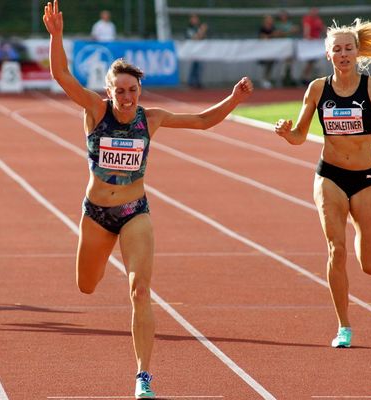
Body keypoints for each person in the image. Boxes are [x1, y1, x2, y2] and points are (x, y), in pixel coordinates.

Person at [43, 1, 253, 398]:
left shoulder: (151, 119)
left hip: (134, 211)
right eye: (119, 90)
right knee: (87, 285)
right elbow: (62, 75)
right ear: (109, 91)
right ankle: (98, 263)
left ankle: (143, 376)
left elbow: (203, 121)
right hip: (97, 214)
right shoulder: (95, 110)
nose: (126, 96)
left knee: (140, 290)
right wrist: (56, 36)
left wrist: (234, 99)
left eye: (132, 90)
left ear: (140, 90)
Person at [274, 19, 371, 348]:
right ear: (327, 54)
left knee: (370, 265)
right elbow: (300, 136)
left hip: (366, 179)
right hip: (329, 176)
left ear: (357, 52)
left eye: (348, 48)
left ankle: (360, 223)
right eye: (337, 49)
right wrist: (286, 132)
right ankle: (343, 326)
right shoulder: (318, 89)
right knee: (336, 248)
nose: (343, 54)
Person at [300, 8, 325, 86]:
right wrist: (307, 36)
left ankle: (307, 78)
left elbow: (323, 29)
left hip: (316, 44)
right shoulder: (307, 19)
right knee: (310, 62)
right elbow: (306, 29)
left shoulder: (318, 20)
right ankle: (305, 78)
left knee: (313, 62)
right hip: (310, 44)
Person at [275, 10, 298, 87]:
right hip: (281, 46)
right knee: (282, 63)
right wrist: (288, 32)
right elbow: (279, 33)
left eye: (285, 15)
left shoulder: (289, 23)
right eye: (282, 15)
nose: (283, 17)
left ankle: (292, 79)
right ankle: (281, 79)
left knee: (291, 63)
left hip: (289, 46)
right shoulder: (277, 24)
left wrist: (286, 32)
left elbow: (295, 30)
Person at [185, 13, 208, 88]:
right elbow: (194, 38)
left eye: (196, 18)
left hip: (200, 50)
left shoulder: (198, 27)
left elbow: (203, 37)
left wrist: (202, 31)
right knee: (194, 66)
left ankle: (197, 82)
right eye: (193, 18)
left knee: (199, 66)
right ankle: (191, 82)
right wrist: (202, 30)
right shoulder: (189, 28)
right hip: (192, 50)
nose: (195, 20)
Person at [258, 14, 278, 89]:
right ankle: (263, 80)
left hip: (272, 50)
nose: (270, 21)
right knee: (264, 65)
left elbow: (276, 35)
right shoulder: (262, 28)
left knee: (270, 65)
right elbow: (262, 36)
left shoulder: (273, 27)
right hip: (264, 50)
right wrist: (271, 35)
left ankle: (268, 80)